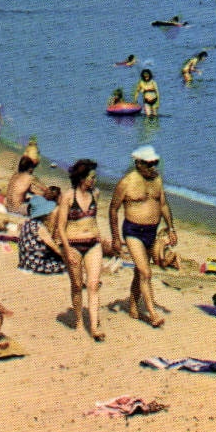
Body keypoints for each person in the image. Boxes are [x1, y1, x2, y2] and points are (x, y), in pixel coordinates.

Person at [109, 146, 173, 328]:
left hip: (151, 231)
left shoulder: (157, 179)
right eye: (149, 164)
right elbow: (113, 209)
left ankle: (133, 303)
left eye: (155, 163)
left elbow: (163, 204)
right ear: (138, 163)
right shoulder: (126, 182)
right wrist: (115, 238)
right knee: (146, 272)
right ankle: (153, 314)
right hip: (133, 231)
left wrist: (171, 228)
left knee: (139, 272)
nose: (153, 167)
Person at [47, 159, 106, 341]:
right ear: (82, 178)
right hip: (73, 245)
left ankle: (94, 327)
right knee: (77, 285)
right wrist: (66, 249)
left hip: (93, 244)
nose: (95, 180)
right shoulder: (68, 197)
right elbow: (60, 226)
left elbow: (93, 220)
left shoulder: (96, 194)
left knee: (93, 285)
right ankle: (79, 320)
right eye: (92, 177)